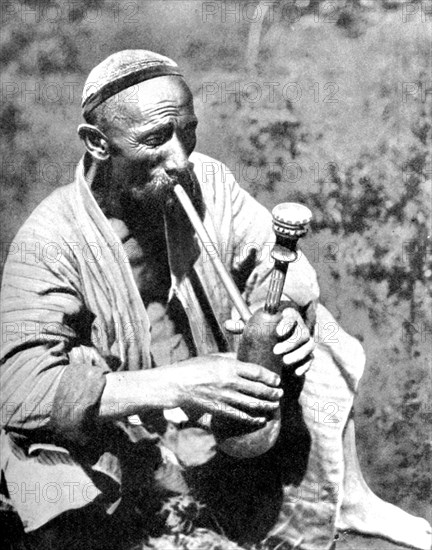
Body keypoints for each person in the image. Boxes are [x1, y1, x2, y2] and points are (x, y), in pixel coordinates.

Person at [1, 50, 430, 550]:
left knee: (321, 332)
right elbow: (18, 389)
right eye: (157, 140)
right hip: (124, 428)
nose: (180, 159)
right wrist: (178, 385)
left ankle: (345, 496)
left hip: (211, 406)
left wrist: (286, 313)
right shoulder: (49, 239)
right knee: (31, 451)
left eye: (188, 132)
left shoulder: (208, 180)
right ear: (98, 143)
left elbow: (279, 267)